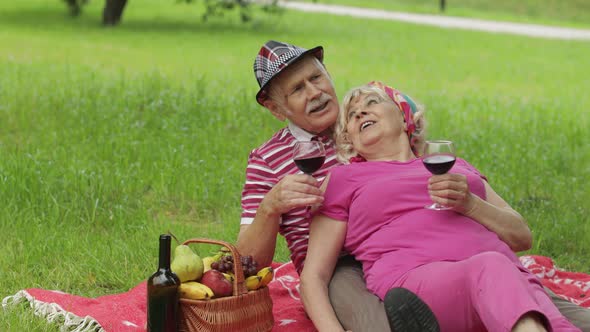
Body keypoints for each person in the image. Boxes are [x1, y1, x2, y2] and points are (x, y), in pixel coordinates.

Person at [236, 40, 590, 331]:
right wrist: (270, 207)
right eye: (298, 89)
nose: (316, 92)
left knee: (529, 295)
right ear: (275, 108)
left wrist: (412, 144)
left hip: (436, 250)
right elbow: (248, 261)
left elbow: (415, 164)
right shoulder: (271, 160)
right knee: (370, 317)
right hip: (343, 263)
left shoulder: (374, 124)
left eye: (318, 77)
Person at [299, 82, 581, 332]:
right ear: (349, 137)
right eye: (352, 114)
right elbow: (315, 276)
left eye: (372, 102)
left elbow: (522, 237)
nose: (360, 113)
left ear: (404, 116)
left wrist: (471, 204)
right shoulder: (343, 179)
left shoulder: (456, 166)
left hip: (508, 278)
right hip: (417, 285)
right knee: (492, 269)